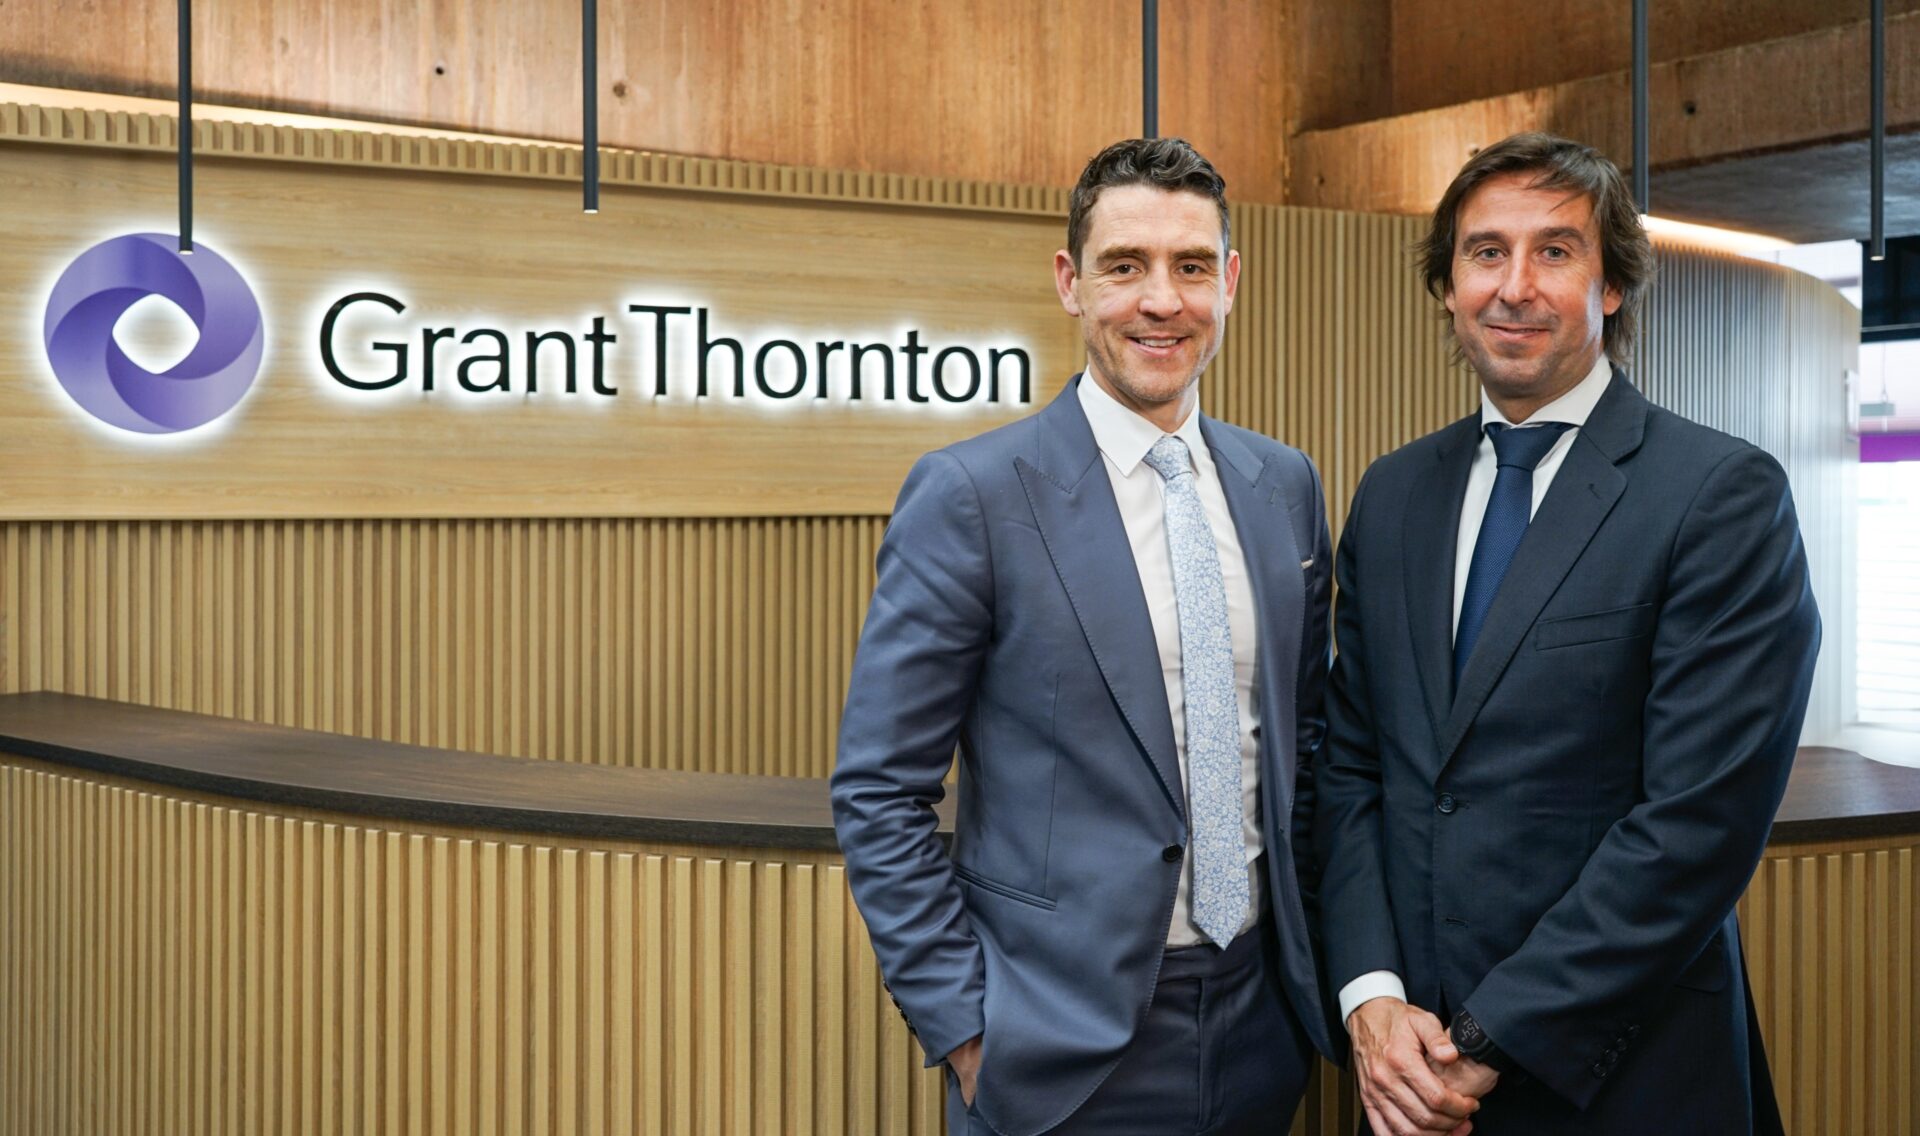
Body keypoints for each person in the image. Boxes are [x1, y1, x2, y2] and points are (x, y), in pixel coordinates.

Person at [1315, 131, 1819, 1136]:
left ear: (1613, 283)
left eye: (1554, 250)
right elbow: (1353, 768)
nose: (1515, 286)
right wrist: (1371, 996)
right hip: (1406, 1076)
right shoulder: (1393, 494)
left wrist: (1484, 1040)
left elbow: (1696, 825)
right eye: (1485, 252)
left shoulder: (1719, 495)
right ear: (1447, 287)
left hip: (1627, 1077)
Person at [830, 137, 1337, 1136]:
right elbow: (880, 789)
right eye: (1125, 266)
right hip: (1055, 1049)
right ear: (1071, 282)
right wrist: (966, 1027)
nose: (1162, 300)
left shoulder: (1284, 486)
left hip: (1264, 1023)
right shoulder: (972, 494)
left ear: (1231, 282)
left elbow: (1308, 746)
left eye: (1191, 266)